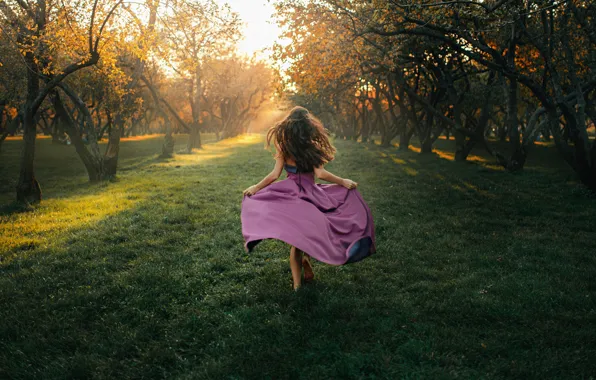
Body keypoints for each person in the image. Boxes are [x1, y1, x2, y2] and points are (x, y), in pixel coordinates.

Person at [241, 106, 376, 290]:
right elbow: (320, 173)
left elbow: (274, 175)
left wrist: (256, 188)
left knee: (300, 237)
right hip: (311, 195)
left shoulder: (284, 147)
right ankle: (303, 267)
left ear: (289, 125)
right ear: (308, 126)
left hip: (290, 195)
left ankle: (297, 284)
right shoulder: (312, 147)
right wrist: (342, 181)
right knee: (306, 234)